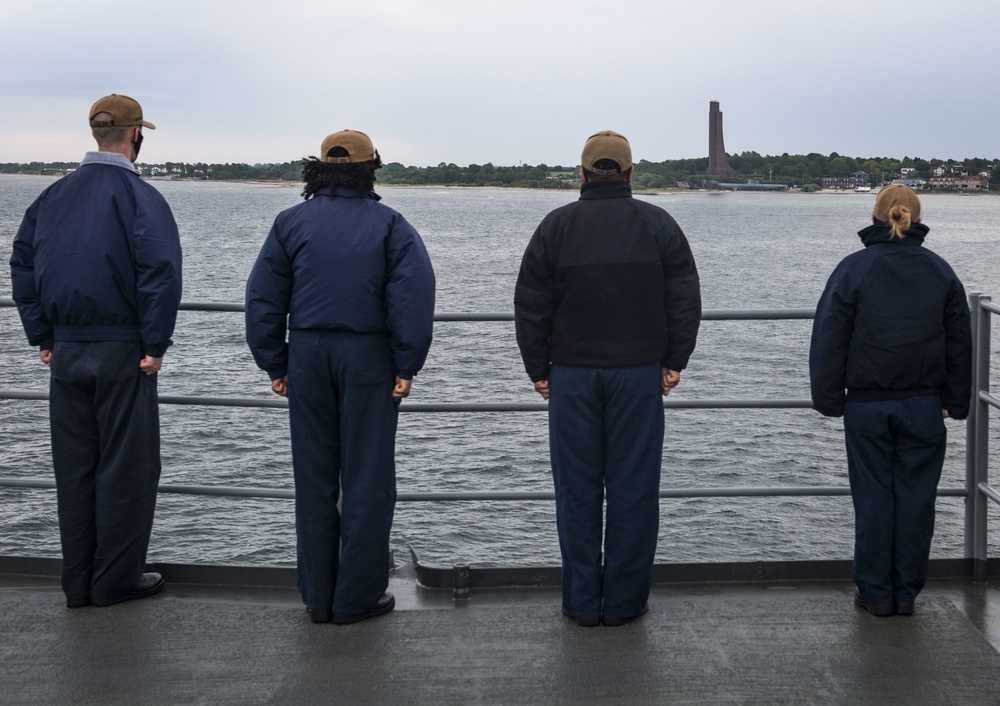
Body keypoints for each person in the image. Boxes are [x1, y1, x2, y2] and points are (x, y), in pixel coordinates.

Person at [245, 129, 435, 625]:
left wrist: (275, 362)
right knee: (368, 480)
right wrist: (406, 363)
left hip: (306, 353)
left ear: (317, 168)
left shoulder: (290, 223)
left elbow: (263, 298)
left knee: (313, 480)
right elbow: (412, 299)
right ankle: (357, 597)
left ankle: (318, 597)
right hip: (369, 357)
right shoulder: (391, 225)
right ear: (370, 168)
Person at [514, 130, 701, 627]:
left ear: (582, 173)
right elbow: (684, 299)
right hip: (638, 376)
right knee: (634, 492)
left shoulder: (556, 226)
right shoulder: (658, 224)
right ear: (630, 173)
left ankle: (580, 602)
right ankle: (623, 603)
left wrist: (538, 369)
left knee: (576, 492)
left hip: (571, 377)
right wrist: (674, 361)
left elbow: (531, 304)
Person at [9, 94, 182, 608]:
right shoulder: (141, 197)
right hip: (123, 350)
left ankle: (76, 582)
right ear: (135, 136)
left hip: (66, 353)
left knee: (75, 469)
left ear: (94, 134)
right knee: (126, 469)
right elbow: (159, 273)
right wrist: (155, 344)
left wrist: (43, 335)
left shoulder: (51, 197)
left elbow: (22, 268)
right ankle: (114, 581)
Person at [810, 184, 972, 617]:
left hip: (866, 405)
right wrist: (955, 402)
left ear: (874, 215)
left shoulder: (853, 269)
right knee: (917, 501)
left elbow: (830, 338)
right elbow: (960, 342)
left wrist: (829, 399)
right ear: (917, 220)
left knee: (874, 500)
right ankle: (906, 594)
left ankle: (876, 593)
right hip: (923, 405)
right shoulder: (940, 271)